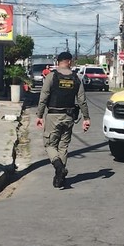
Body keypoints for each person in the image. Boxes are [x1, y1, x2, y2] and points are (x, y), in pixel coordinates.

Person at [36, 51, 91, 189]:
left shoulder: (51, 76)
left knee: (49, 145)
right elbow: (82, 100)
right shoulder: (76, 78)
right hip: (69, 117)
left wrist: (39, 115)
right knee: (63, 147)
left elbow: (43, 97)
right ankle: (59, 178)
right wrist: (86, 118)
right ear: (69, 62)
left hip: (53, 116)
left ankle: (58, 166)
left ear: (58, 62)